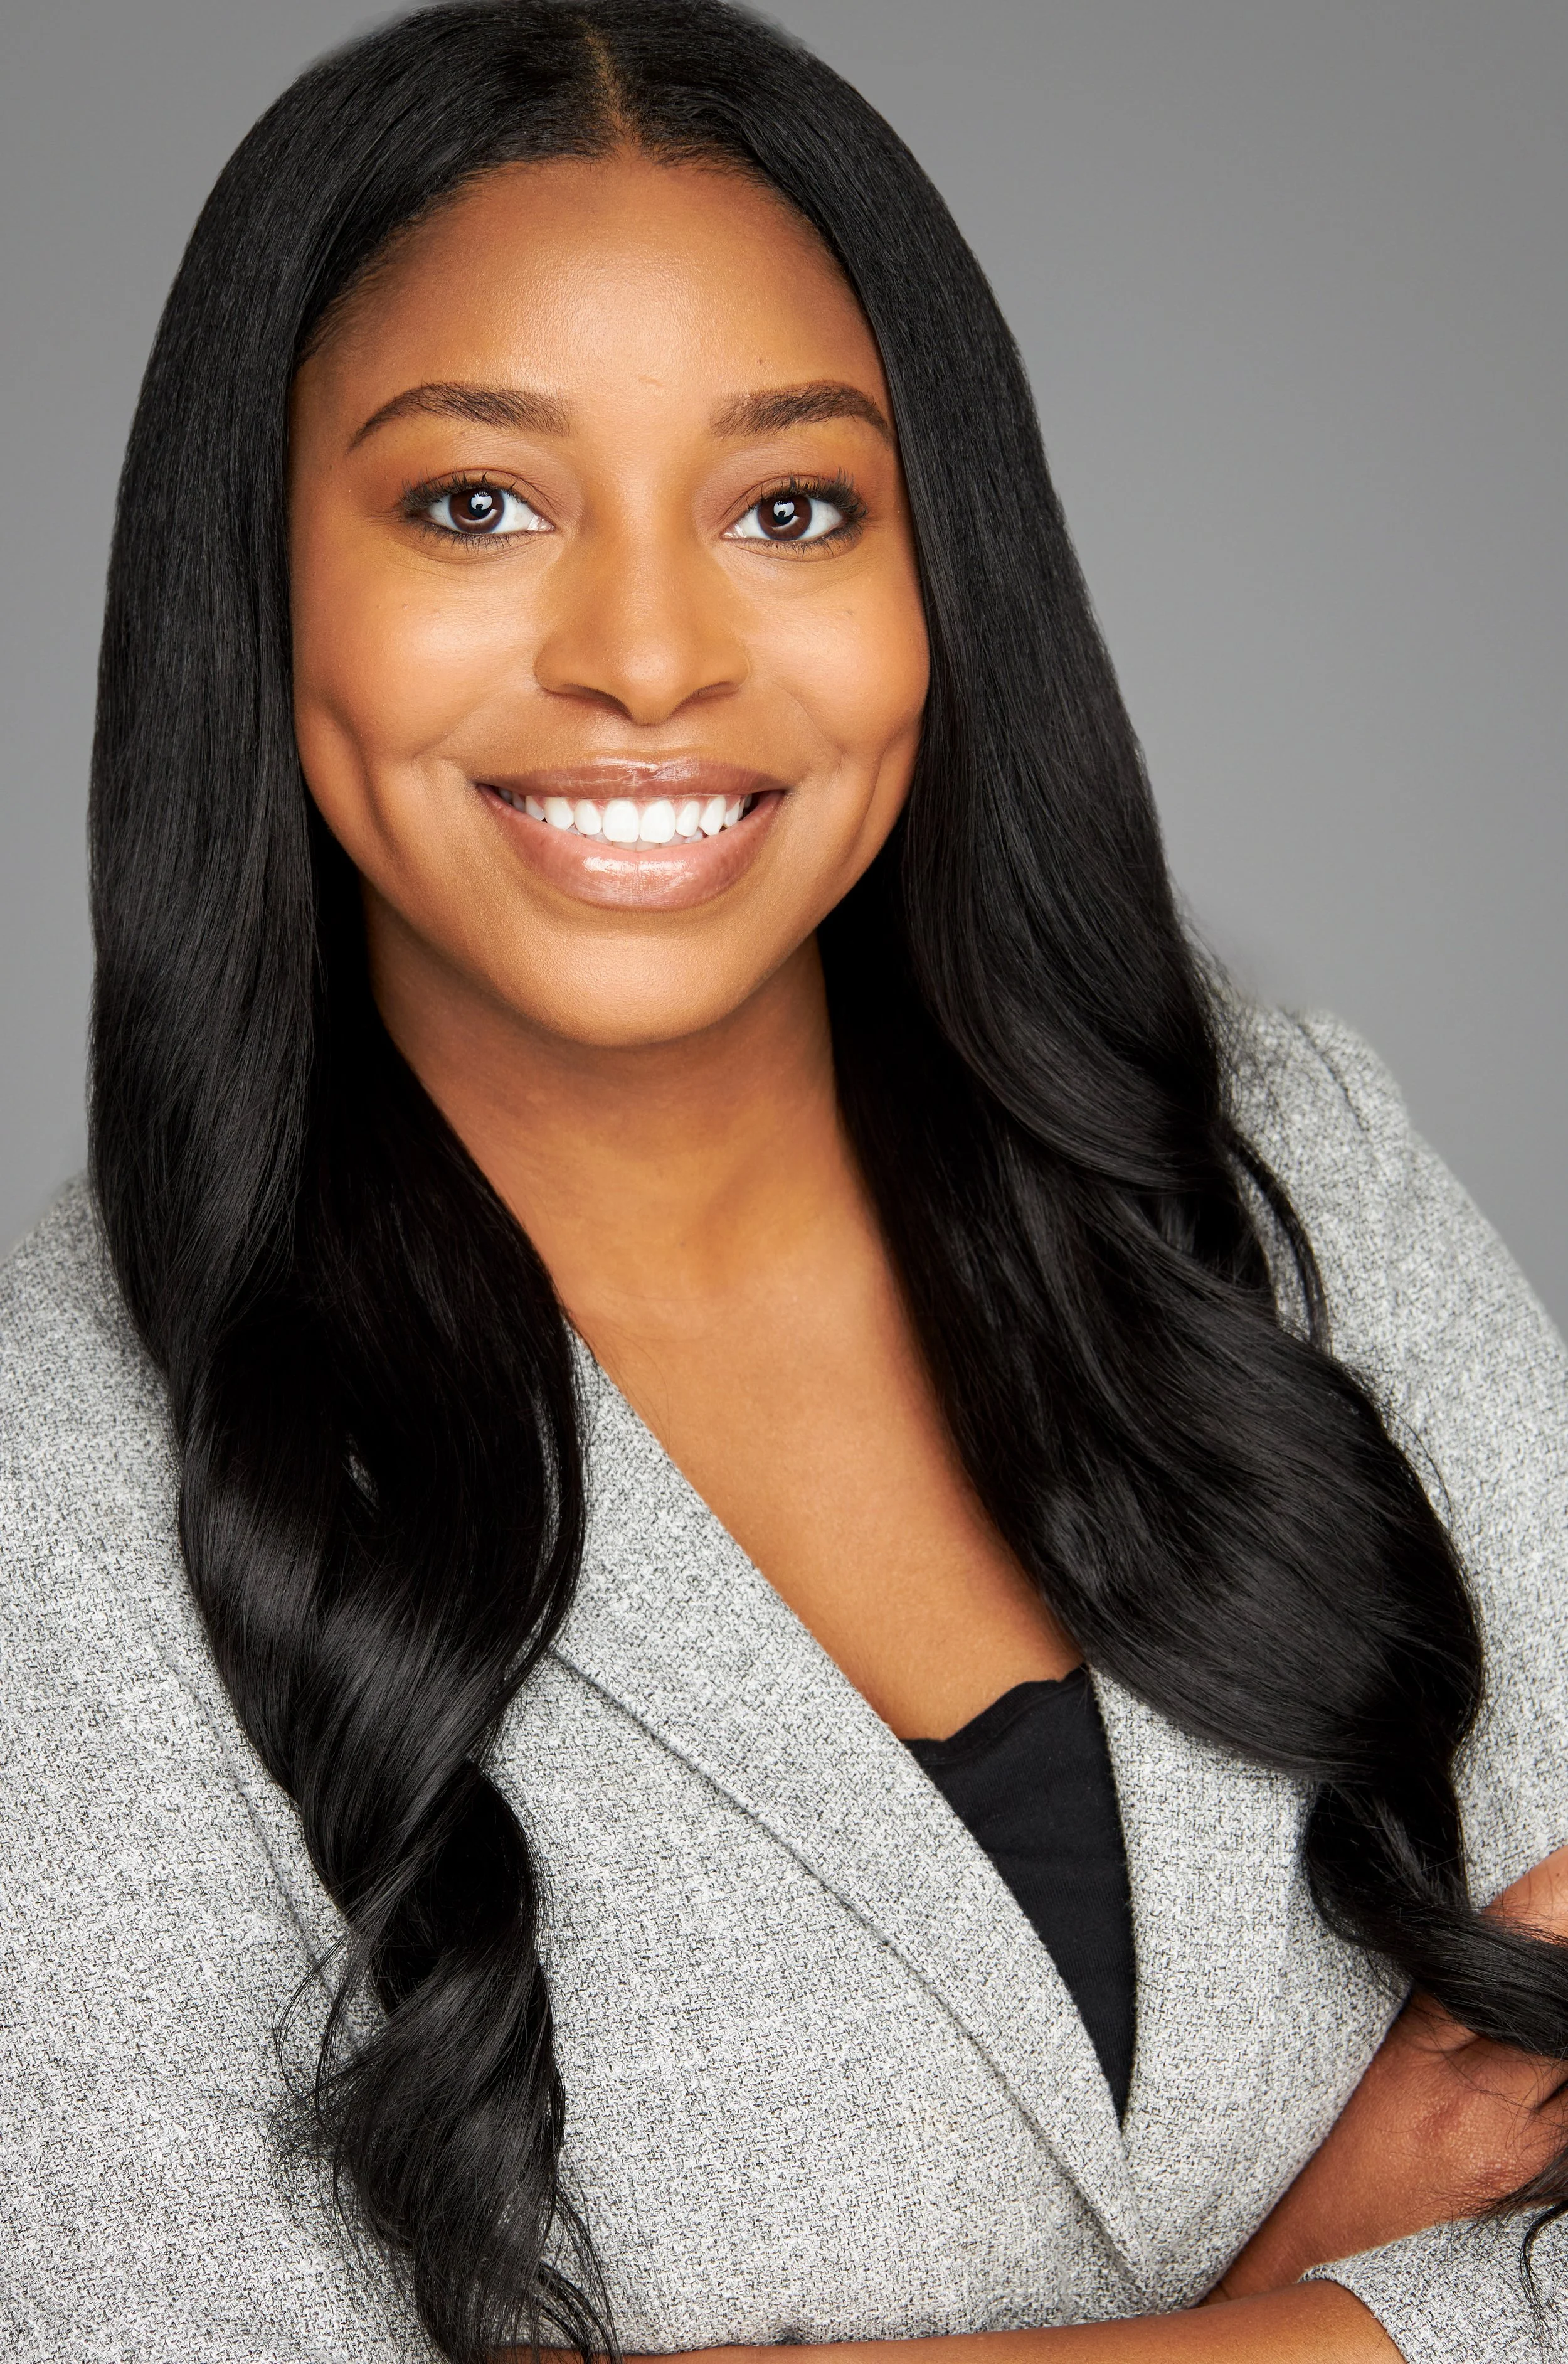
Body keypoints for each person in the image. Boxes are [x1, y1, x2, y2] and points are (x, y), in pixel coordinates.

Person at [3, 3, 1566, 2358]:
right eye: (475, 502)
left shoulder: (1271, 1153)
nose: (647, 655)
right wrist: (1343, 2259)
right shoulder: (51, 1518)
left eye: (792, 507)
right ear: (259, 573)